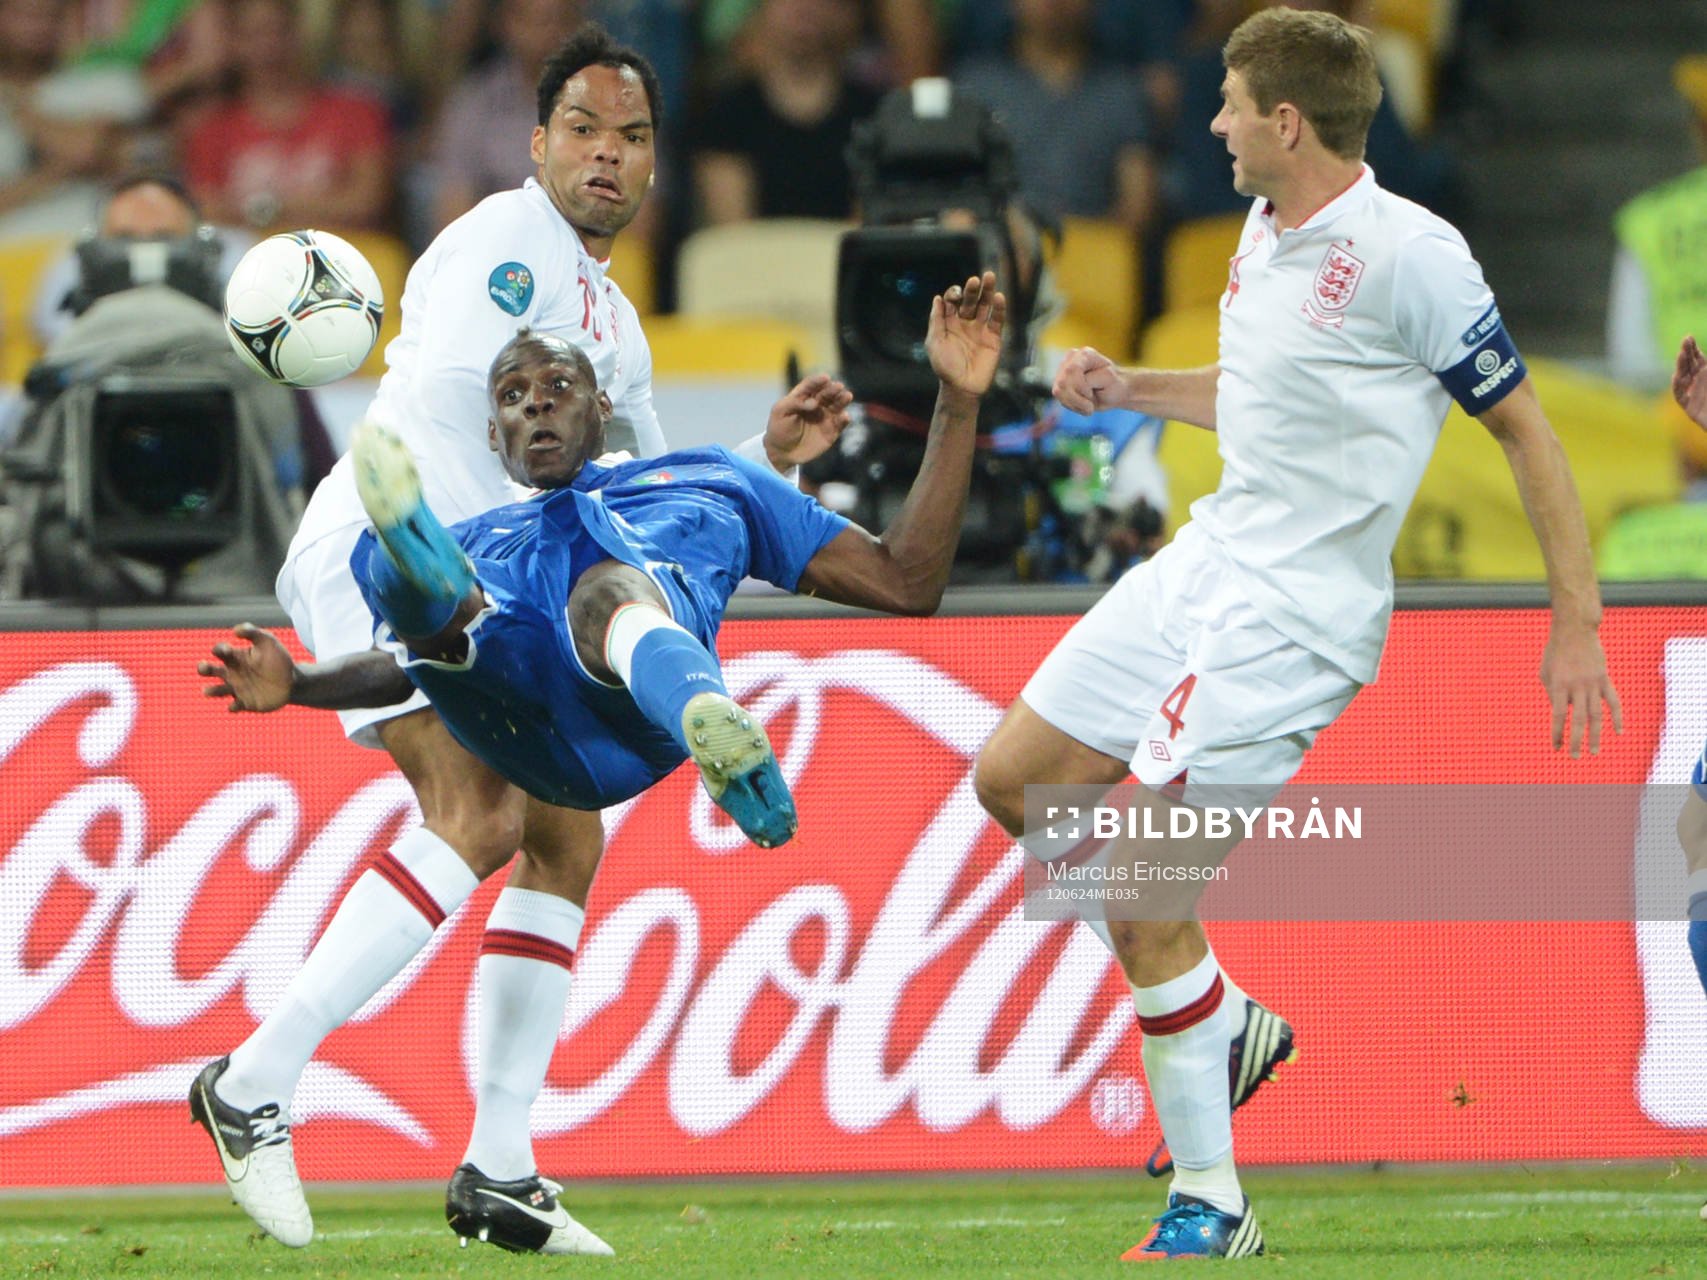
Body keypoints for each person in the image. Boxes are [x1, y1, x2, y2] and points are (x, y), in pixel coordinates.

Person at [184, 21, 857, 1258]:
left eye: (634, 137)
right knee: (481, 810)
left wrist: (765, 460)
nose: (609, 155)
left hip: (499, 586)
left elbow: (651, 490)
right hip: (396, 558)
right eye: (586, 131)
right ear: (540, 141)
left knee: (565, 830)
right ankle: (252, 1080)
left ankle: (499, 1164)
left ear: (657, 161)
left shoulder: (621, 323)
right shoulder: (508, 241)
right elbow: (449, 420)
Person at [971, 8, 1620, 1260]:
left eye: (1227, 105)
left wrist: (1577, 619)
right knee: (1016, 781)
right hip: (1208, 562)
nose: (1208, 123)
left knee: (1144, 885)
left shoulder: (1412, 254)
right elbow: (1262, 393)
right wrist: (1130, 390)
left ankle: (1213, 1201)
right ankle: (1221, 1018)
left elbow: (1527, 429)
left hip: (1298, 614)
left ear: (1286, 121)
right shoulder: (1261, 236)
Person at [194, 273, 1004, 1251]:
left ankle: (496, 1162)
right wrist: (304, 682)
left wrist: (957, 402)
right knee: (472, 621)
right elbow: (392, 674)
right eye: (511, 394)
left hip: (610, 736)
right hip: (536, 692)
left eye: (555, 384)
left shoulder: (713, 480)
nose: (534, 399)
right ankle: (447, 592)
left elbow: (908, 578)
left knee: (561, 829)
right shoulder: (494, 526)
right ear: (493, 442)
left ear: (603, 405)